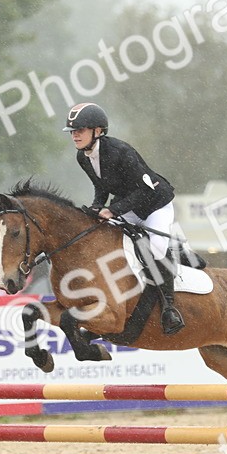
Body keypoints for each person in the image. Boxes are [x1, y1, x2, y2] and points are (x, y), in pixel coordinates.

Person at [64, 102, 186, 335]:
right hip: (128, 204)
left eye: (80, 130)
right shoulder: (83, 157)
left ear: (98, 131)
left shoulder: (121, 152)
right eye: (73, 131)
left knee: (157, 249)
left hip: (155, 204)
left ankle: (169, 308)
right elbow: (101, 187)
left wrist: (113, 210)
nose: (75, 135)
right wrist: (96, 208)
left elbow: (144, 190)